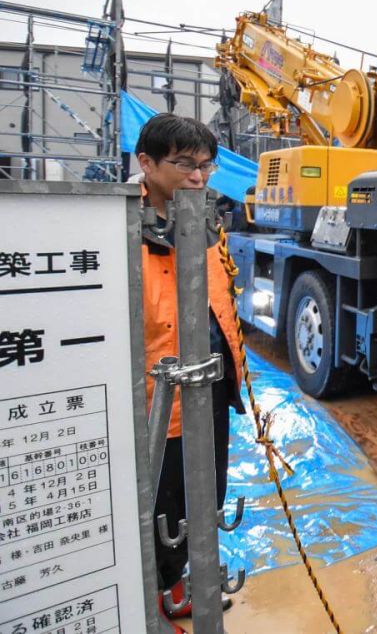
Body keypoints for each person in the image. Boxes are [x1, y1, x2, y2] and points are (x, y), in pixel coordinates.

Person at [135, 114, 245, 628]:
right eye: (184, 164)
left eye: (206, 166)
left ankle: (186, 579)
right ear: (147, 164)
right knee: (162, 506)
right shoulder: (121, 233)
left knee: (207, 493)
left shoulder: (204, 224)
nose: (198, 176)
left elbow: (221, 308)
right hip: (159, 405)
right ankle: (162, 592)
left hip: (210, 387)